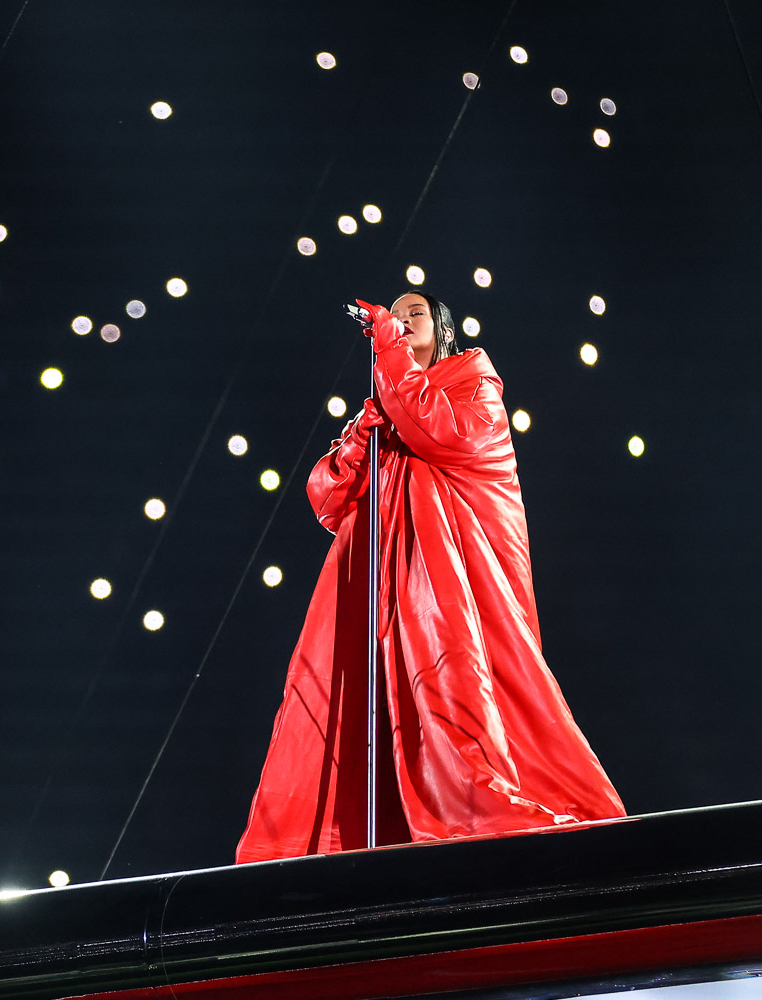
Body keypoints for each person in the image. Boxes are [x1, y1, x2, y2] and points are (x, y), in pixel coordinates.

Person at [236, 293, 625, 862]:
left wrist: (389, 352)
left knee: (458, 696)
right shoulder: (393, 407)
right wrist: (363, 434)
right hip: (385, 591)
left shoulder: (473, 385)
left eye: (414, 313)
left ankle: (480, 812)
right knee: (366, 711)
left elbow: (444, 434)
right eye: (395, 314)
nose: (400, 321)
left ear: (441, 333)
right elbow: (327, 497)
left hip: (454, 592)